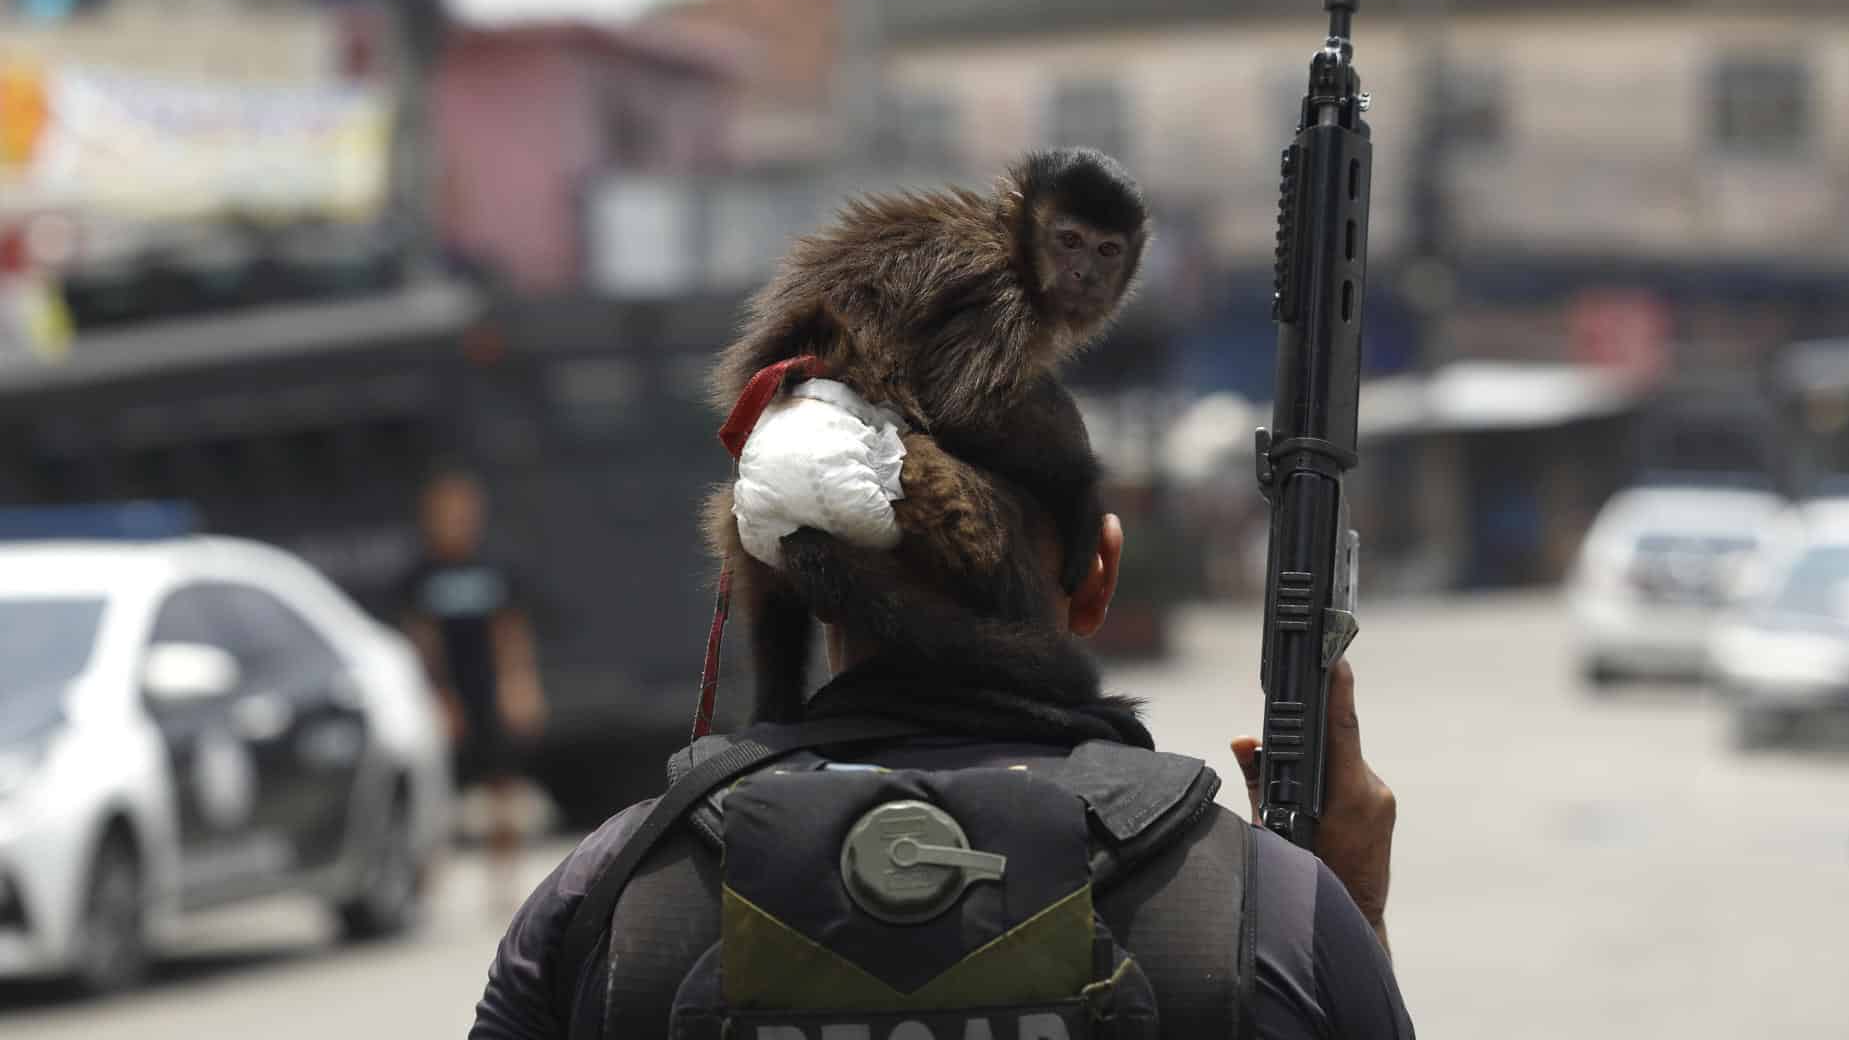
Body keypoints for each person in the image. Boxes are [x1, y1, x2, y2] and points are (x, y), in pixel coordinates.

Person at [469, 378, 1412, 1036]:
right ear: (1099, 574)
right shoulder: (1261, 908)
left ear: (803, 580)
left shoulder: (608, 897)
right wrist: (1347, 912)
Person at [400, 468, 547, 903]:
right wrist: (437, 695)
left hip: (491, 691)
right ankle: (425, 882)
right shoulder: (420, 575)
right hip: (448, 693)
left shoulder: (495, 567)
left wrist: (520, 685)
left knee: (503, 788)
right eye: (446, 512)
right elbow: (419, 639)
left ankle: (503, 881)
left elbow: (511, 632)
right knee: (438, 790)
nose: (456, 521)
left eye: (463, 511)